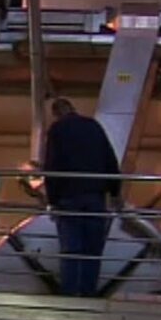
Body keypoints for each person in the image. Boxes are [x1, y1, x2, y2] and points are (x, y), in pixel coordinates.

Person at [42, 98, 120, 297]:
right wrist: (115, 192)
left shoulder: (57, 130)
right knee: (92, 250)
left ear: (57, 113)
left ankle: (70, 294)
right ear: (73, 109)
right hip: (95, 196)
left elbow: (52, 166)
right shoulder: (93, 126)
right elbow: (110, 160)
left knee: (71, 248)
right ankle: (88, 294)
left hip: (69, 197)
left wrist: (51, 200)